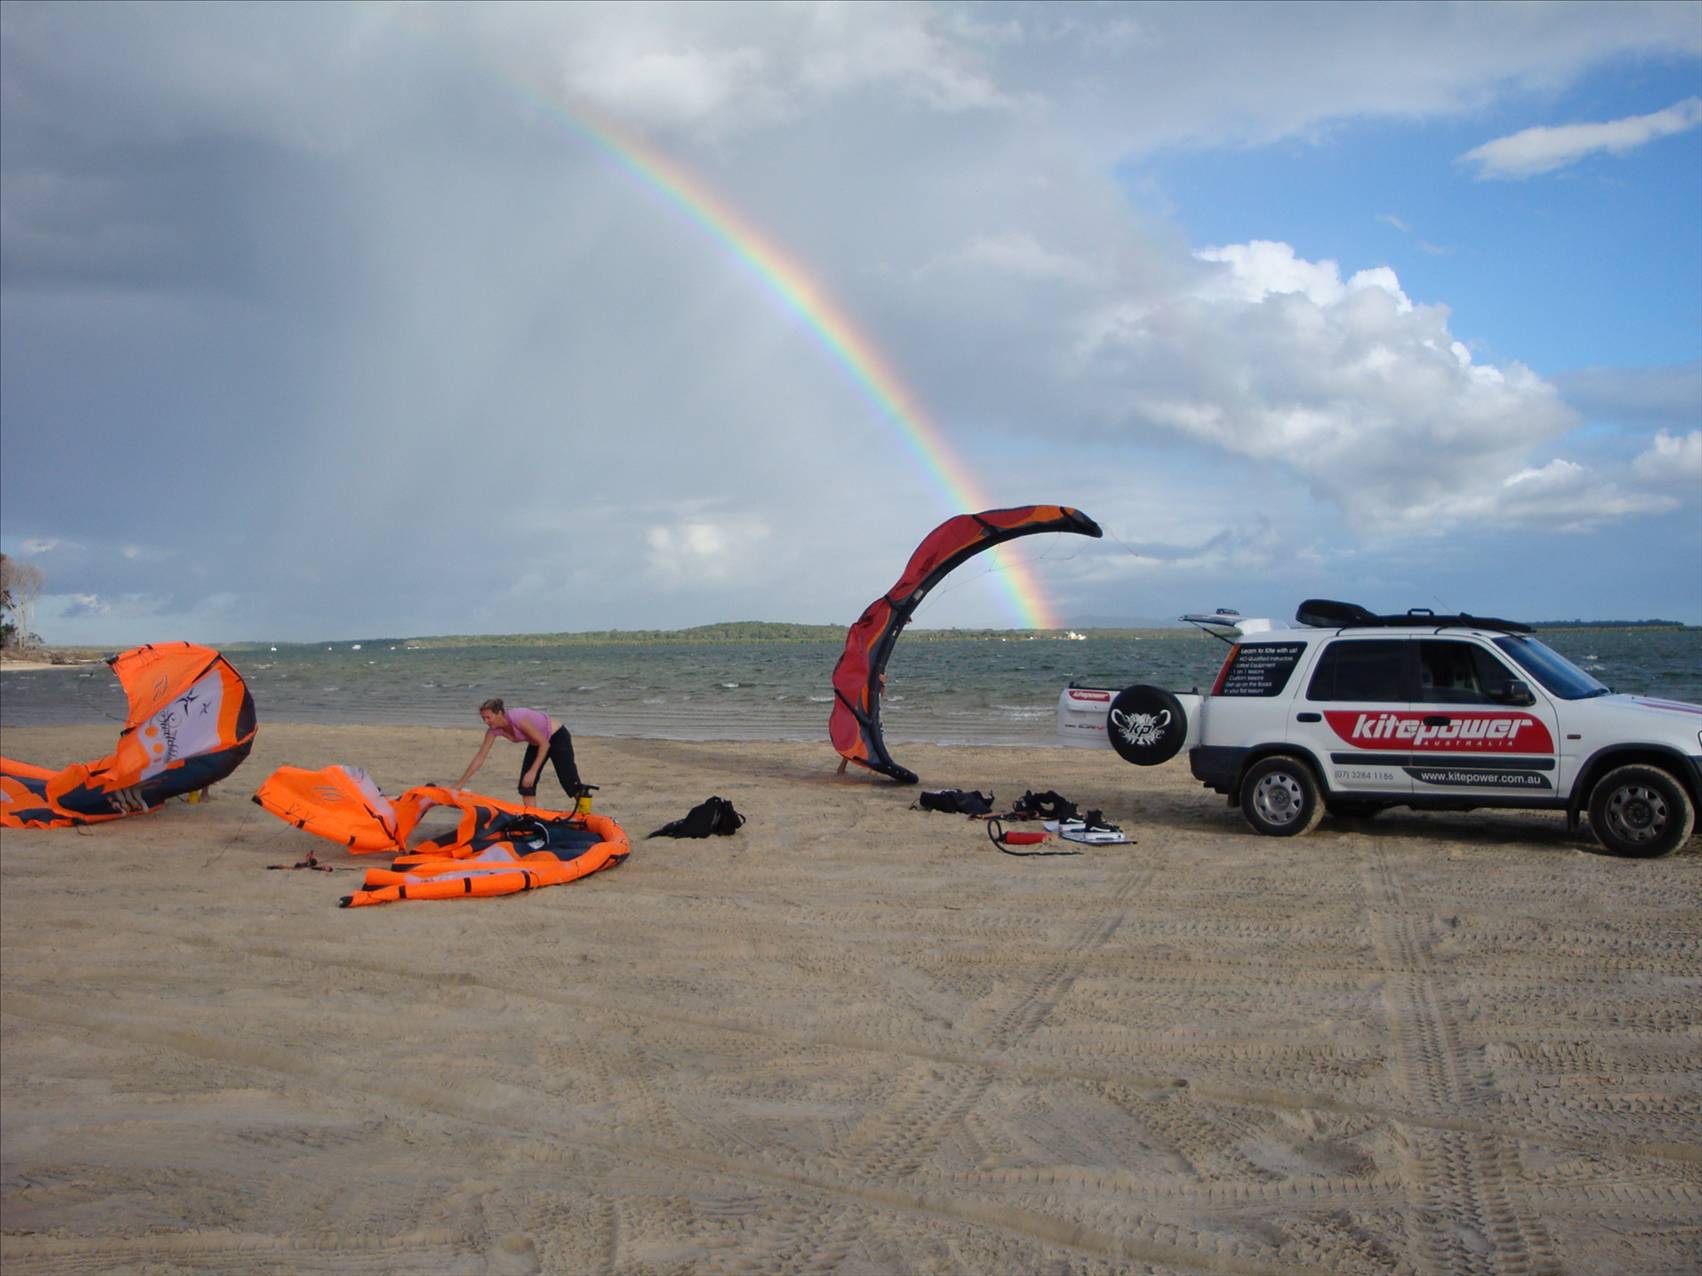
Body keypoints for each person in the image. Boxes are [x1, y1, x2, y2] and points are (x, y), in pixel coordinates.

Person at [454, 698, 586, 803]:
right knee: (525, 785)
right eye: (483, 718)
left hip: (556, 737)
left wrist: (533, 771)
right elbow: (480, 758)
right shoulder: (493, 730)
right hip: (537, 742)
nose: (486, 721)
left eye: (488, 717)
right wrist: (459, 784)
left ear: (500, 713)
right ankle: (532, 818)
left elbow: (545, 744)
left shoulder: (518, 718)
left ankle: (586, 815)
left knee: (569, 782)